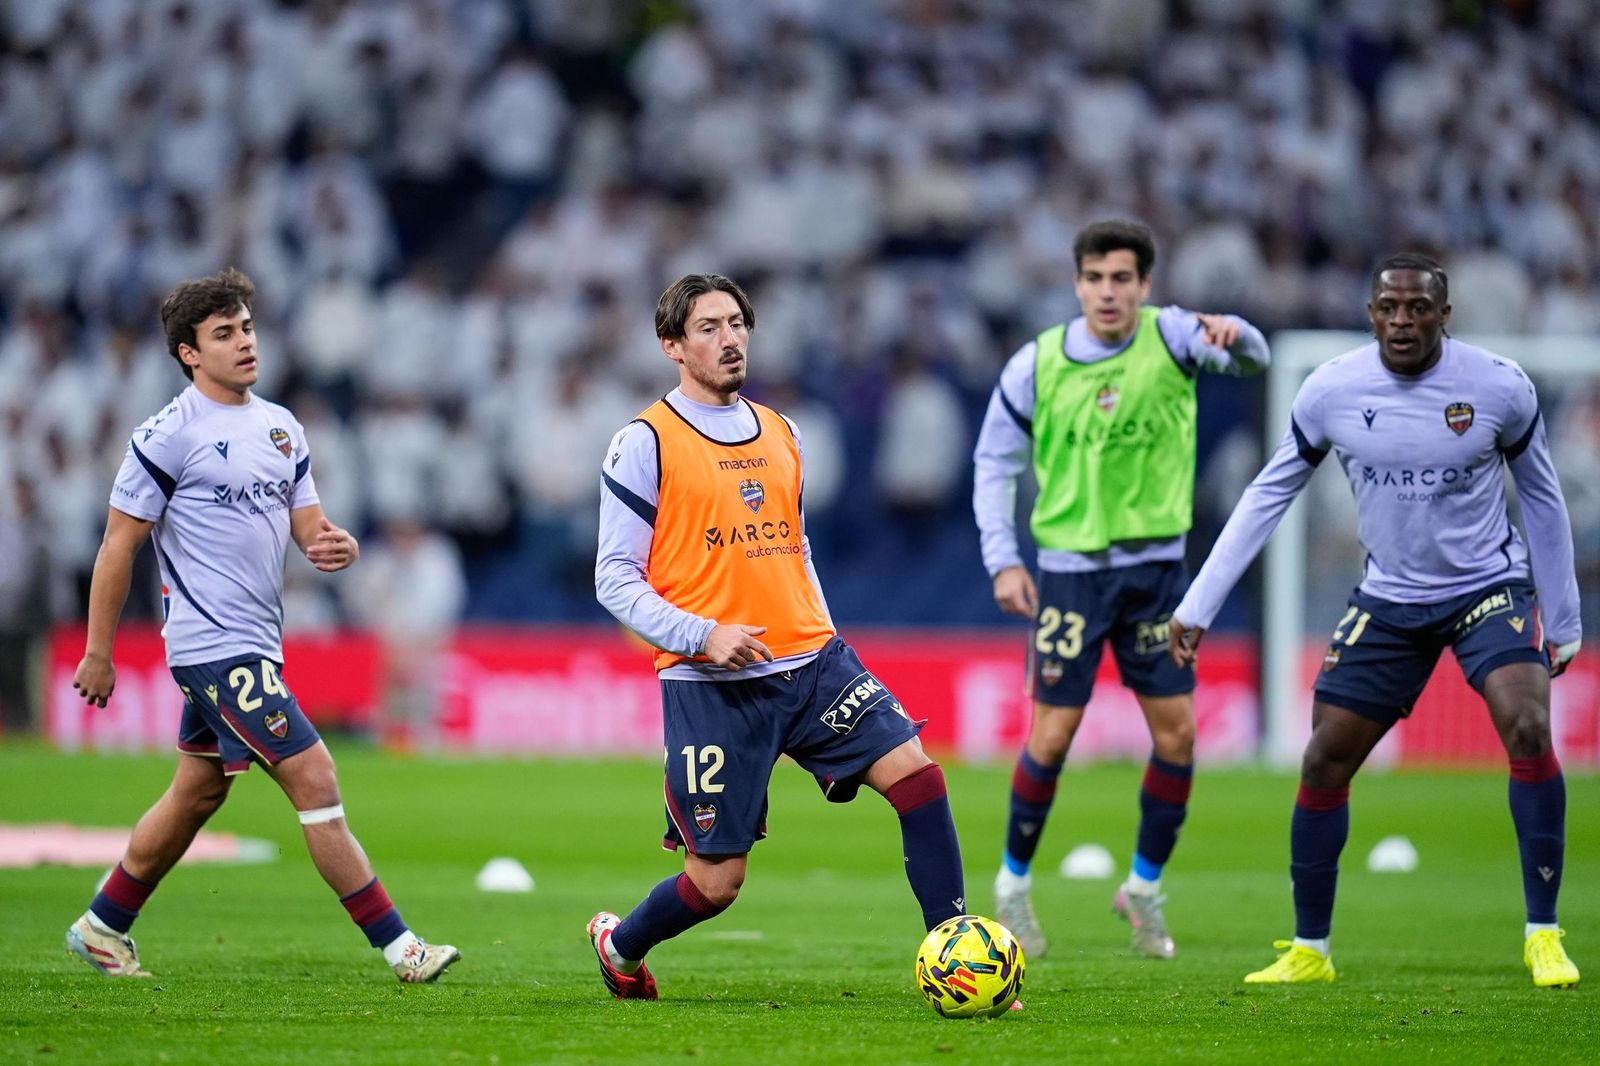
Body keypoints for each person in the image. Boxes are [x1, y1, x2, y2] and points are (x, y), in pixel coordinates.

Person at [1169, 253, 1583, 988]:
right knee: (1325, 758)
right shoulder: (1331, 389)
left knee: (1527, 727)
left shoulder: (1497, 387)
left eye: (1417, 308)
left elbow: (1543, 496)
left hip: (1488, 586)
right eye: (1388, 307)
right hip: (1390, 599)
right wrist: (1199, 603)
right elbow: (1268, 493)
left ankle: (1544, 934)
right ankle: (1309, 950)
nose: (1402, 320)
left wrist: (1565, 612)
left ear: (1443, 316)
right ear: (1370, 314)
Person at [64, 268, 458, 984]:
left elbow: (309, 526)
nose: (245, 342)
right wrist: (98, 652)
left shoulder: (282, 427)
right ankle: (403, 948)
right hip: (210, 646)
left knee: (197, 792)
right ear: (189, 353)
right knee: (315, 776)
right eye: (224, 334)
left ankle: (102, 924)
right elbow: (119, 544)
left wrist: (335, 546)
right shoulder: (166, 435)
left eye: (246, 327)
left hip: (254, 642)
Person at [589, 273, 967, 999]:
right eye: (708, 328)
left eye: (737, 323)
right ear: (672, 345)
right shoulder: (643, 442)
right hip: (713, 684)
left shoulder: (783, 430)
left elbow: (793, 548)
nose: (730, 339)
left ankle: (955, 956)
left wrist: (822, 630)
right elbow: (613, 577)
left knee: (919, 777)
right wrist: (702, 634)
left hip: (814, 662)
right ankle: (622, 945)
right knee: (717, 881)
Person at [973, 219, 1270, 959]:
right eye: (1096, 279)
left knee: (1177, 735)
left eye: (1123, 279)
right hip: (1070, 575)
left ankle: (1141, 889)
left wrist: (1237, 331)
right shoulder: (1036, 363)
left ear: (1145, 285)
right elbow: (992, 464)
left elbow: (1256, 362)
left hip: (1156, 576)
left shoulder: (1174, 338)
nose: (1109, 292)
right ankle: (1011, 886)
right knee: (1054, 734)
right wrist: (1004, 559)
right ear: (1077, 284)